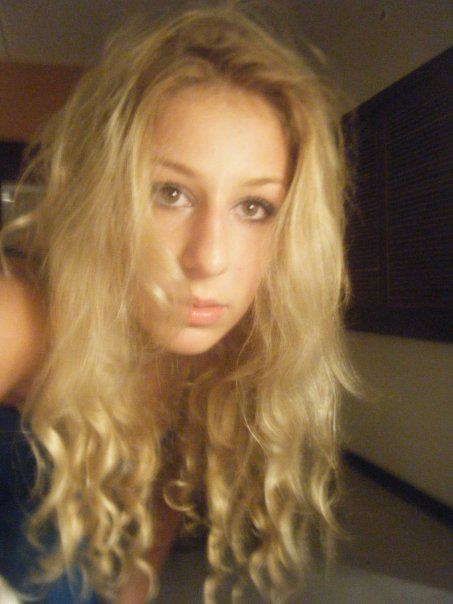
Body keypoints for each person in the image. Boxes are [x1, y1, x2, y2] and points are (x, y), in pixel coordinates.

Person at [0, 5, 354, 603]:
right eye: (170, 194)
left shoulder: (222, 358)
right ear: (105, 198)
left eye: (254, 207)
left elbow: (152, 528)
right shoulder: (22, 315)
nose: (208, 258)